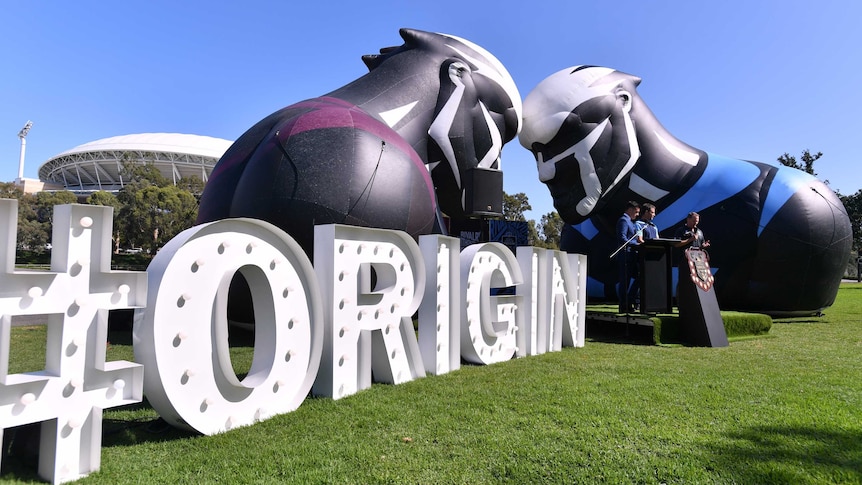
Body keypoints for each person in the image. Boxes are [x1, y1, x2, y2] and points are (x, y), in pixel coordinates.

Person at [616, 201, 642, 312]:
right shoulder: (623, 220)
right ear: (630, 210)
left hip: (632, 255)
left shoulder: (630, 222)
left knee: (640, 277)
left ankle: (629, 300)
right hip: (626, 255)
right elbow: (622, 239)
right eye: (636, 212)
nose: (637, 215)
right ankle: (623, 305)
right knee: (625, 281)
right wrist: (637, 245)